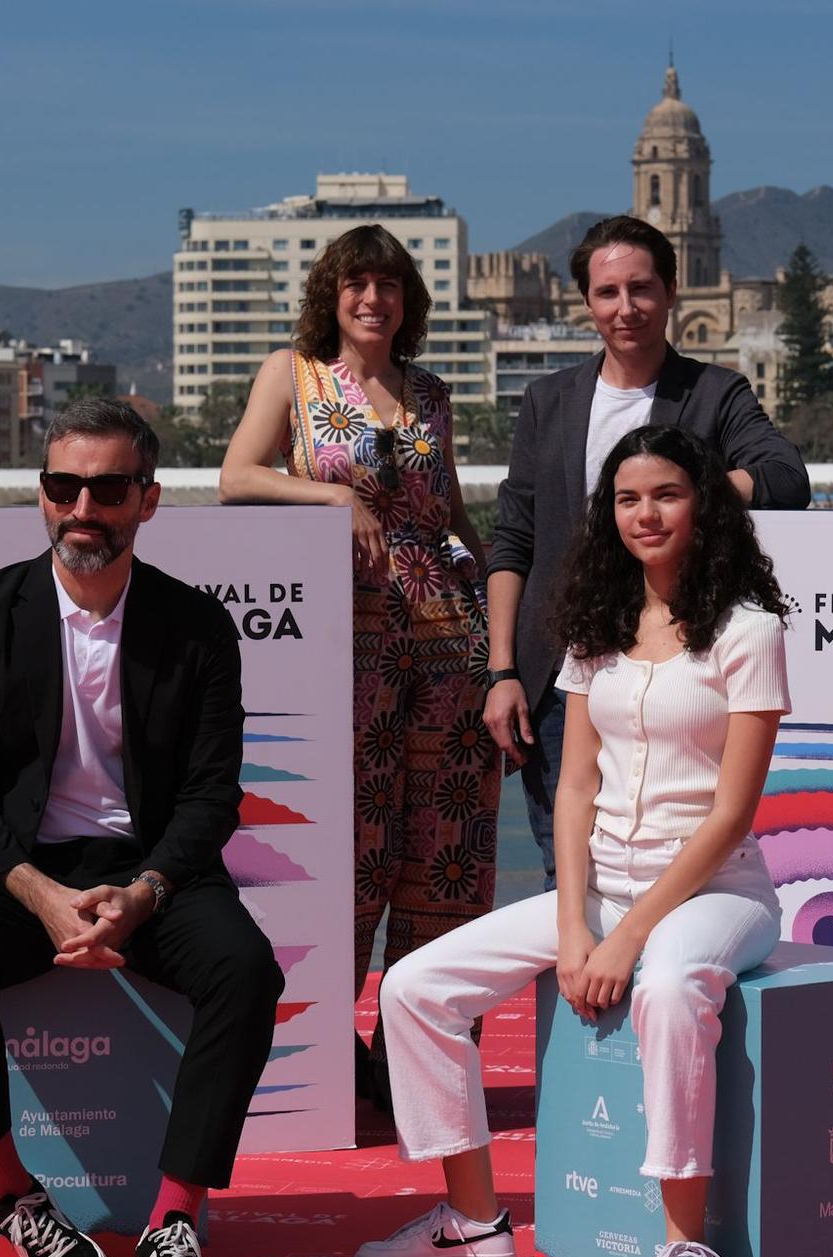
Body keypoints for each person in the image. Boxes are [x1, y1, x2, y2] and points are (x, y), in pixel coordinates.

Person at [356, 425, 792, 1257]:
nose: (647, 514)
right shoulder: (594, 628)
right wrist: (571, 929)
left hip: (719, 894)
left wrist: (627, 940)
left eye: (666, 494)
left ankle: (682, 1249)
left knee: (669, 989)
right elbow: (575, 787)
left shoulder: (750, 631)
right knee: (412, 985)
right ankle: (476, 1222)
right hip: (600, 887)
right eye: (629, 499)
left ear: (704, 503)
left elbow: (729, 817)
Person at [0, 398, 284, 1257]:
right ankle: (13, 1195)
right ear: (42, 495)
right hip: (16, 868)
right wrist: (38, 894)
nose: (82, 507)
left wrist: (147, 890)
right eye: (62, 485)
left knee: (246, 970)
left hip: (149, 867)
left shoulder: (196, 626)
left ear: (146, 500)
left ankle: (175, 1220)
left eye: (107, 488)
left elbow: (211, 795)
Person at [221, 223, 497, 1105]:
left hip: (450, 640)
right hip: (346, 645)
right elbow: (236, 477)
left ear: (408, 299)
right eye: (356, 284)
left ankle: (414, 1053)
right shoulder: (291, 376)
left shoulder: (432, 391)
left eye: (388, 285)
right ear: (332, 296)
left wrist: (505, 594)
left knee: (445, 849)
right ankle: (321, 1046)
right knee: (353, 847)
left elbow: (450, 505)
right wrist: (331, 494)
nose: (372, 299)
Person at [483, 214, 809, 900]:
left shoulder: (716, 393)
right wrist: (502, 669)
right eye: (607, 292)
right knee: (563, 883)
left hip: (673, 675)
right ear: (586, 302)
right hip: (558, 684)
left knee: (670, 885)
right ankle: (580, 1001)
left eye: (640, 289)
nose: (624, 308)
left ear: (671, 292)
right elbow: (513, 539)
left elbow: (785, 477)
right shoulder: (549, 402)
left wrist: (685, 493)